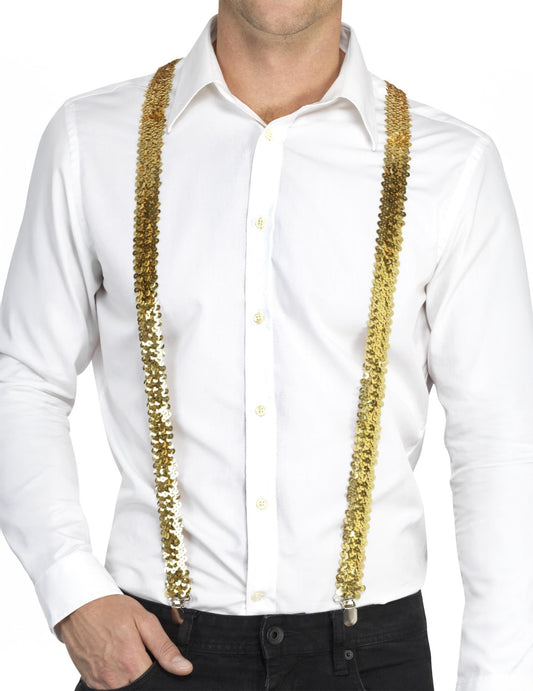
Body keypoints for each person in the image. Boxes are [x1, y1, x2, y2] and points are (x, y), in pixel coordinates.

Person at [1, 1, 533, 690]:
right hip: (151, 650)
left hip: (370, 658)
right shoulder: (91, 139)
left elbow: (498, 440)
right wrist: (71, 588)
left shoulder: (454, 164)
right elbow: (24, 376)